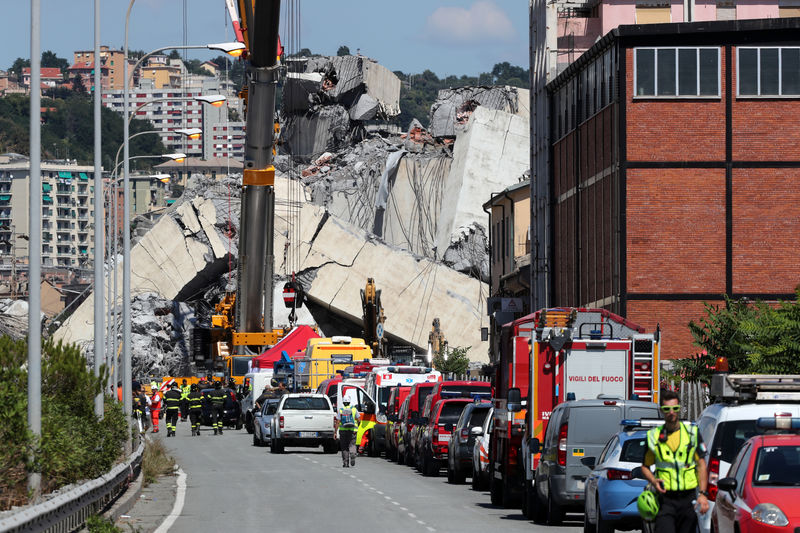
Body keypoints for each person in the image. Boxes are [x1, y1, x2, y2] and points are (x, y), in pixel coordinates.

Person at [641, 389, 709, 533]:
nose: (671, 412)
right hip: (666, 499)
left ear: (679, 409)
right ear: (662, 410)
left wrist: (703, 494)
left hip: (688, 498)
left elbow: (701, 465)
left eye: (675, 408)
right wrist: (654, 482)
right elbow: (645, 467)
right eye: (667, 409)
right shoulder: (653, 436)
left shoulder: (692, 433)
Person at [337, 397, 361, 468]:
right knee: (352, 444)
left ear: (343, 403)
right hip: (352, 431)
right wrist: (356, 428)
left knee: (344, 447)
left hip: (343, 431)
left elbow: (338, 422)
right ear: (350, 402)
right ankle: (353, 453)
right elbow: (359, 420)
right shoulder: (354, 409)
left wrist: (335, 432)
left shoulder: (341, 410)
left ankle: (345, 463)